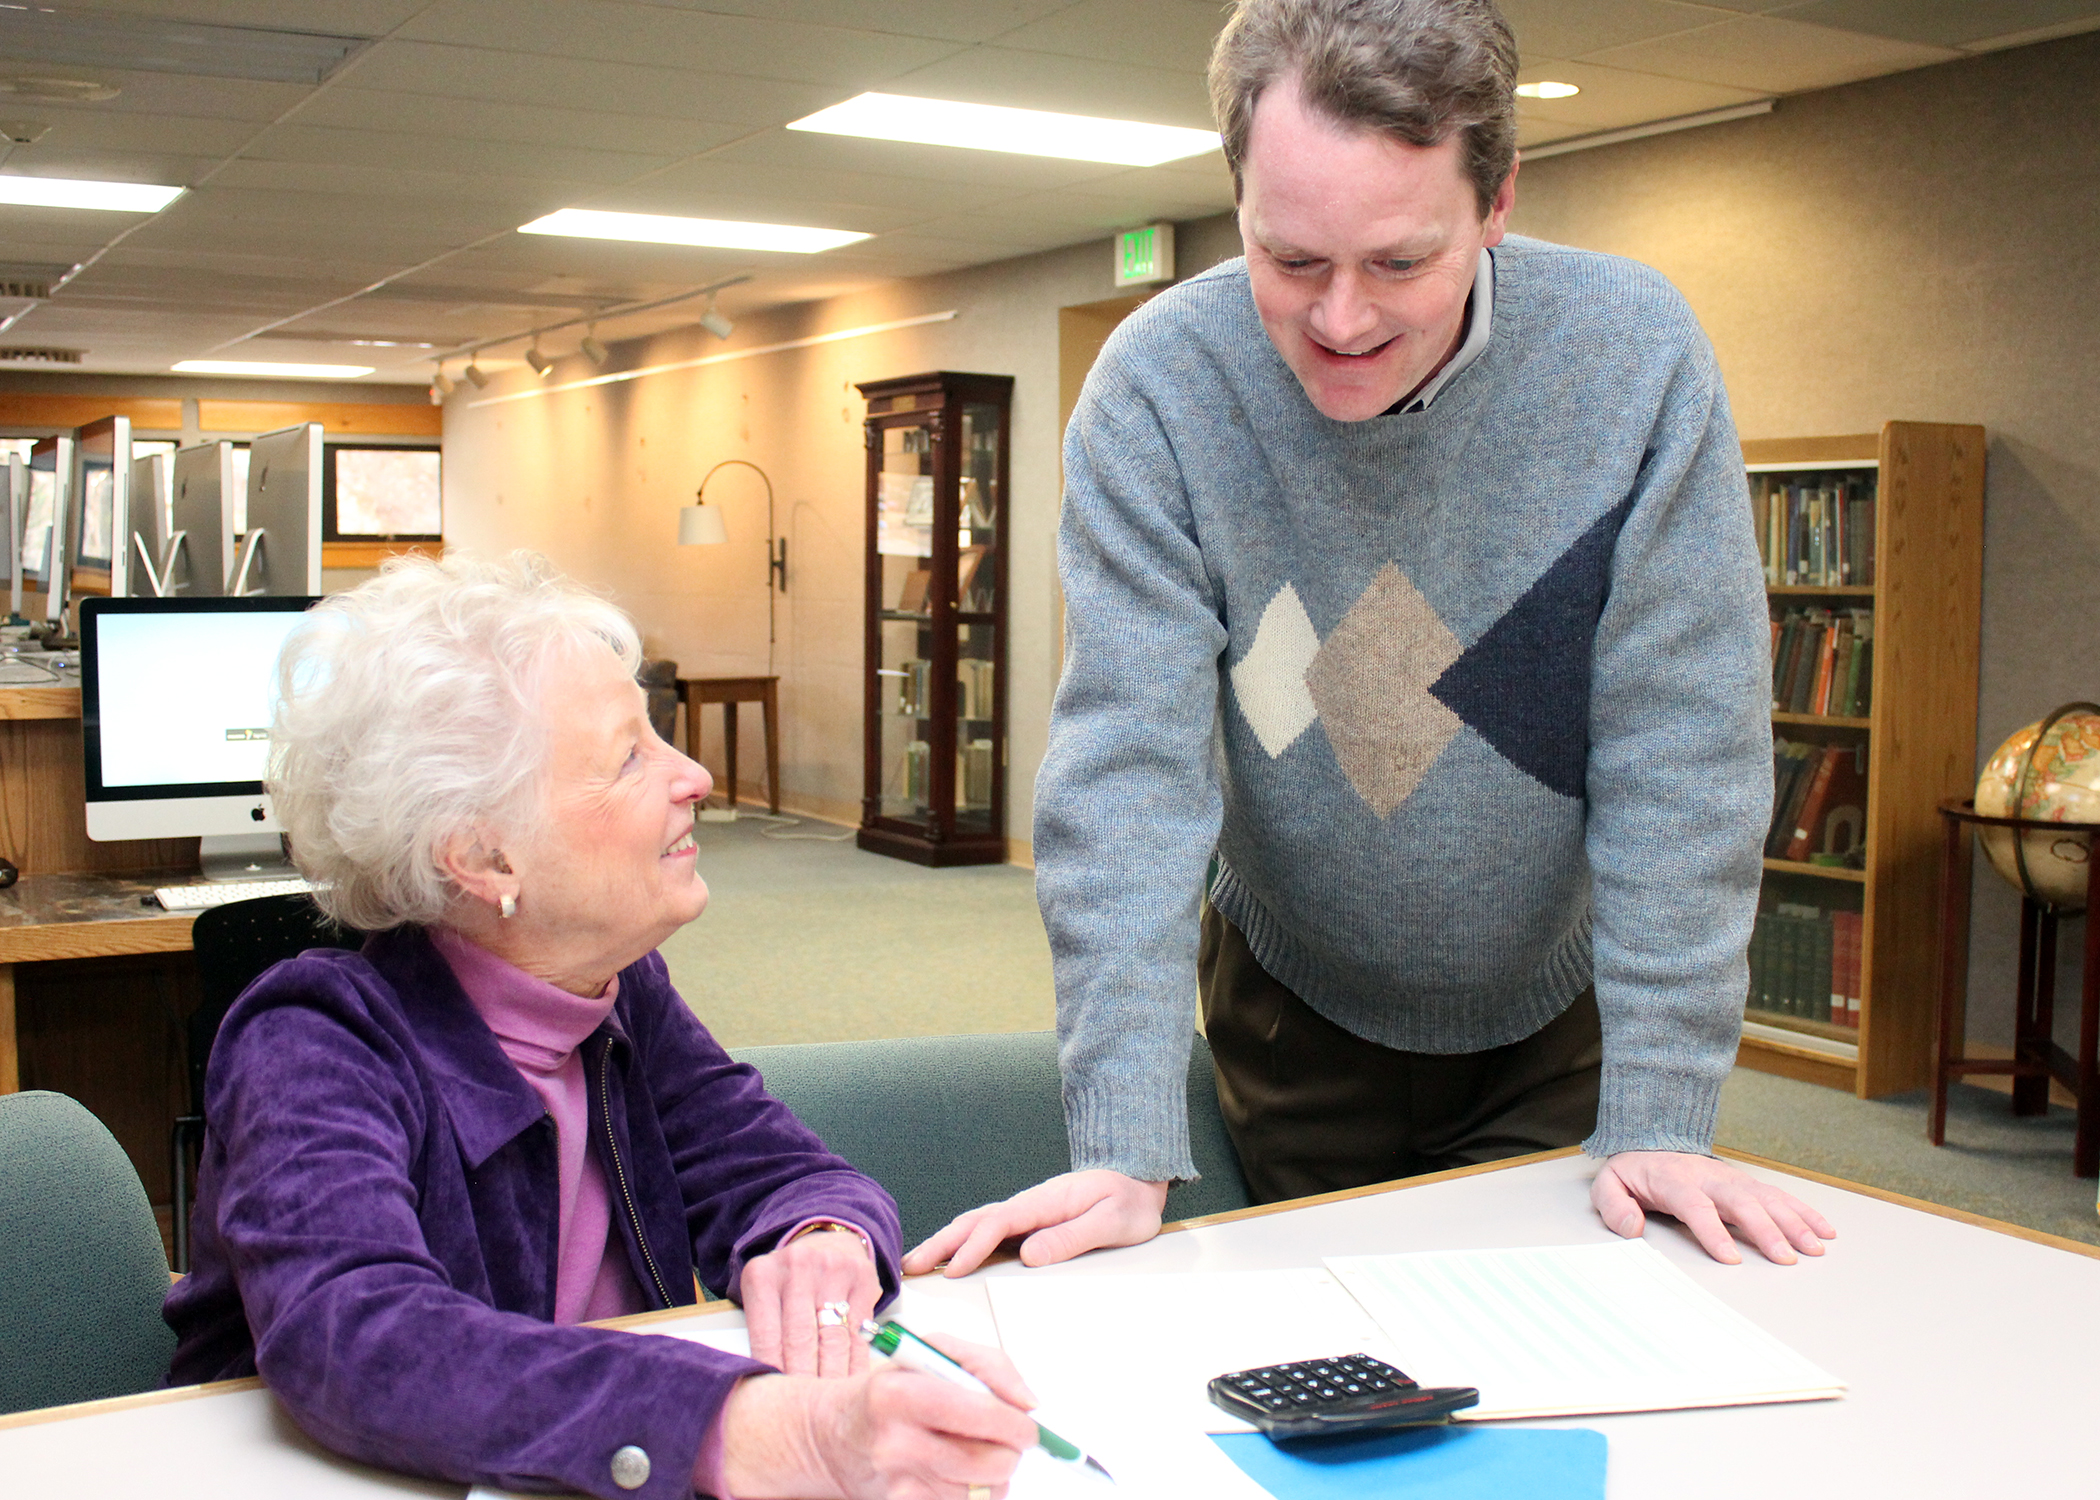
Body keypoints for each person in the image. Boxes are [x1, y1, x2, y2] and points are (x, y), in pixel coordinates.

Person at [909, 0, 1834, 1282]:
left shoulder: (1633, 357)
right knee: (1313, 1370)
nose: (1341, 320)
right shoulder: (1162, 390)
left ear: (1497, 198)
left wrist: (1665, 1106)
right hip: (1292, 999)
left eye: (1399, 263)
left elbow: (1685, 747)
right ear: (1237, 193)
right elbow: (1129, 776)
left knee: (1550, 1372)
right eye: (1291, 261)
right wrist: (1123, 1140)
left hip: (1564, 1006)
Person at [165, 553, 1037, 1500]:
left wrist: (818, 1235)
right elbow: (362, 1336)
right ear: (483, 856)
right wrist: (741, 1428)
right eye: (630, 756)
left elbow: (776, 1169)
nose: (697, 775)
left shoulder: (619, 986)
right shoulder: (313, 1040)